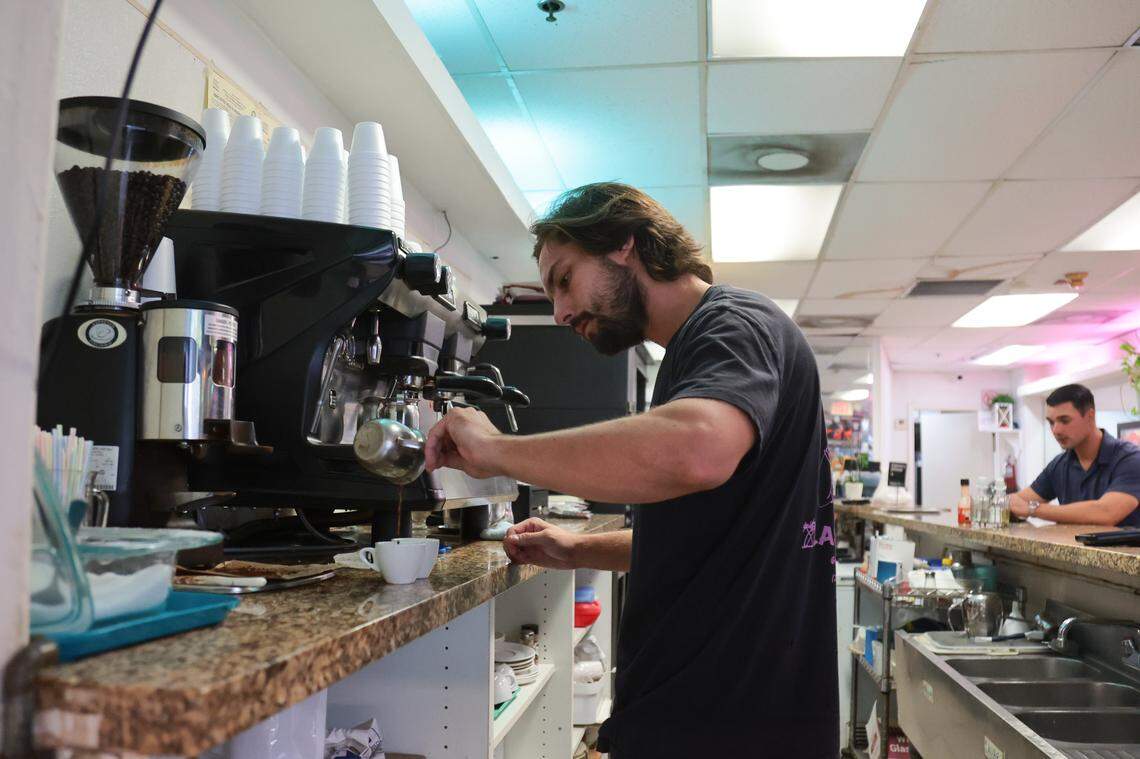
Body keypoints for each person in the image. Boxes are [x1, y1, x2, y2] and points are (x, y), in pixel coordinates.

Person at [424, 182, 838, 757]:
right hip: (716, 713)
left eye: (564, 279)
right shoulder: (692, 355)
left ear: (624, 244)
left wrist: (497, 450)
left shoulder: (736, 325)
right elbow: (713, 538)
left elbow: (698, 449)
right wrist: (577, 550)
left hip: (728, 722)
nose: (562, 311)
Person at [1009, 383, 1140, 526]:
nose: (1056, 430)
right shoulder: (1059, 465)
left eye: (1064, 420)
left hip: (1122, 549)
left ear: (1090, 416)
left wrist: (1033, 509)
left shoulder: (1130, 459)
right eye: (1051, 422)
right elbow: (1017, 502)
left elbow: (1106, 512)